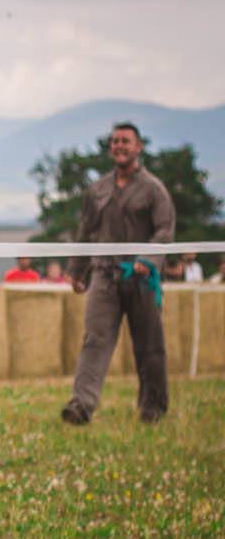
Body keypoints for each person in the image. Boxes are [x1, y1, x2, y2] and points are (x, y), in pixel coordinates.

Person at [63, 121, 175, 425]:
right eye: (115, 141)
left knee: (149, 345)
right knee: (95, 340)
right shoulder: (97, 190)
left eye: (126, 141)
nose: (119, 146)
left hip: (139, 277)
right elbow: (85, 231)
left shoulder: (154, 189)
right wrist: (77, 271)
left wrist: (147, 259)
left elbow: (165, 230)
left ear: (138, 147)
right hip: (104, 276)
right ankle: (81, 405)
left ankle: (152, 407)